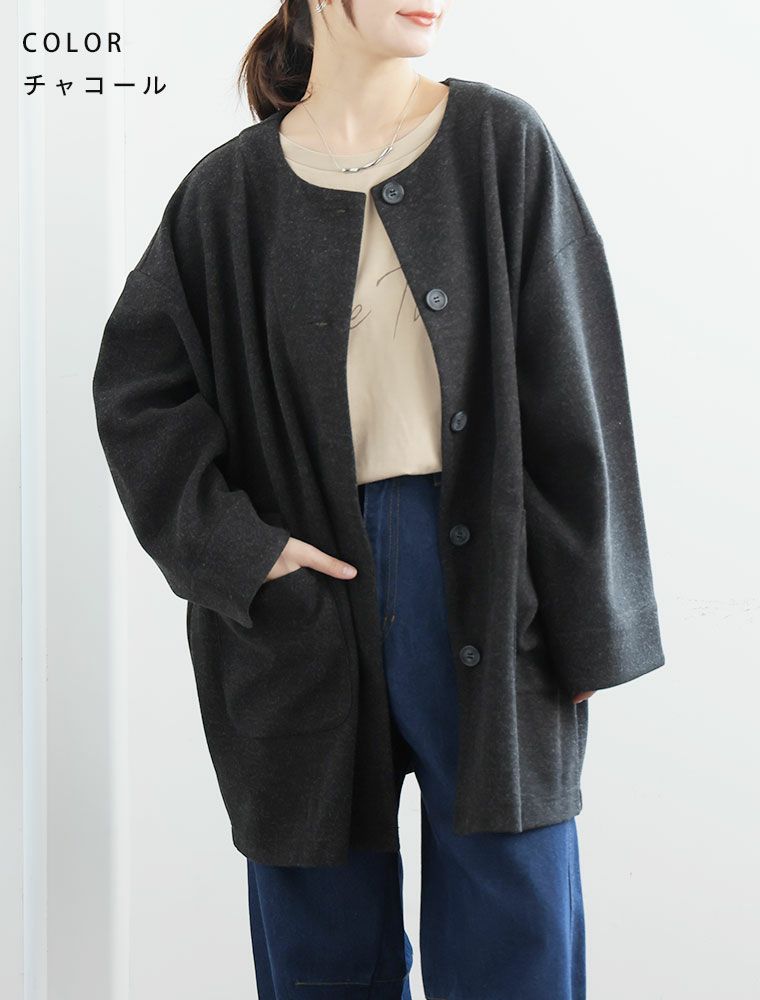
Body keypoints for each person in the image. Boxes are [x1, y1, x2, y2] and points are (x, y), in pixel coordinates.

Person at [92, 2, 666, 997]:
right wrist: (244, 555)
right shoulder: (227, 195)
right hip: (304, 602)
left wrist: (587, 622)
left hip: (487, 588)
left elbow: (574, 390)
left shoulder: (499, 144)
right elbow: (138, 394)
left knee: (515, 932)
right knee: (319, 945)